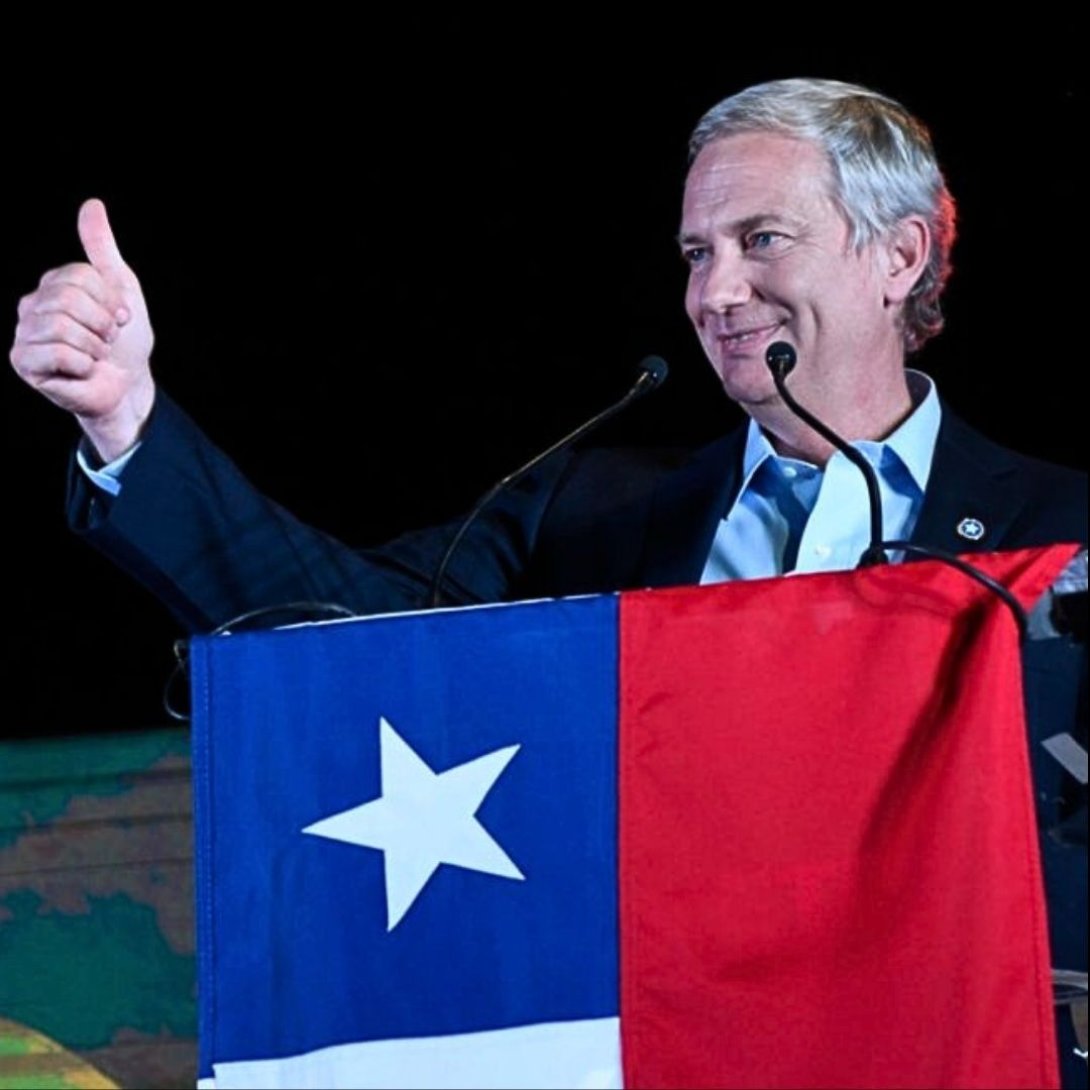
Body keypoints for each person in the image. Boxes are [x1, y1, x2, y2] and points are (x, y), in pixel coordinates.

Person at [11, 78, 1087, 1082]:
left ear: (899, 254)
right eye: (695, 252)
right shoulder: (590, 512)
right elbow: (343, 629)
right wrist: (127, 418)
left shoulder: (1062, 533)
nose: (715, 292)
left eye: (761, 239)